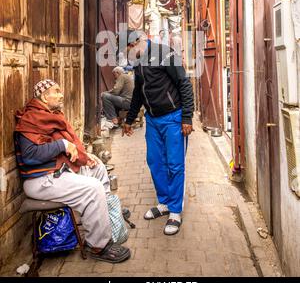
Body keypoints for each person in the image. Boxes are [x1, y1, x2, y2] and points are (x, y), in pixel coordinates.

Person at [14, 79, 130, 263]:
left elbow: (66, 147)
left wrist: (84, 156)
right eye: (56, 91)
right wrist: (62, 144)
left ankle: (108, 215)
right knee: (93, 188)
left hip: (58, 171)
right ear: (44, 96)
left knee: (98, 166)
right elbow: (30, 155)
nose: (61, 94)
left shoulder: (50, 115)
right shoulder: (32, 119)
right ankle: (98, 246)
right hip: (41, 180)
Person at [122, 30, 194, 235]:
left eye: (128, 47)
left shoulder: (165, 53)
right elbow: (138, 92)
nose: (127, 52)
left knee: (174, 164)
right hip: (152, 120)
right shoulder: (138, 61)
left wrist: (187, 117)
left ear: (138, 42)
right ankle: (164, 203)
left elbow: (184, 84)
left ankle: (175, 211)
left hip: (173, 118)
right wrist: (129, 119)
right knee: (155, 161)